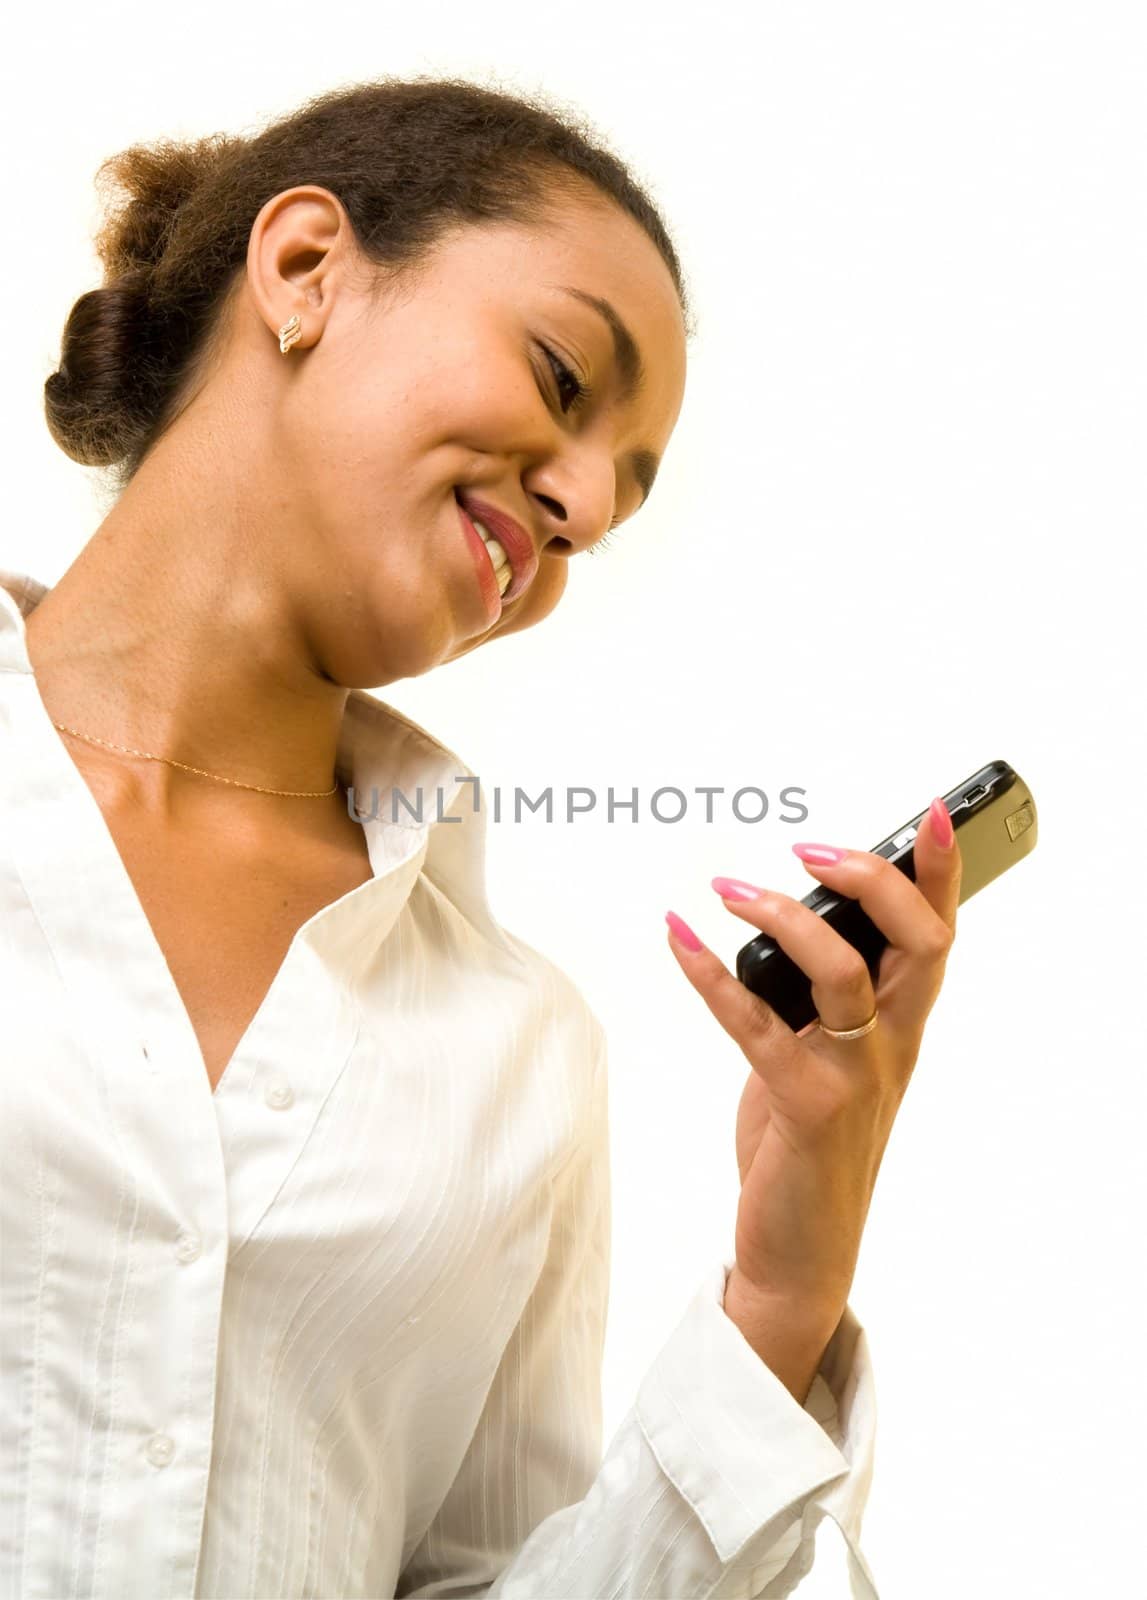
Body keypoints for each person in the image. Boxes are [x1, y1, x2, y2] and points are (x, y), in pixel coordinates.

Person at [0, 76, 961, 1599]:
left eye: (610, 514)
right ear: (307, 271)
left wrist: (783, 1294)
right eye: (565, 378)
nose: (577, 507)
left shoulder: (513, 1052)